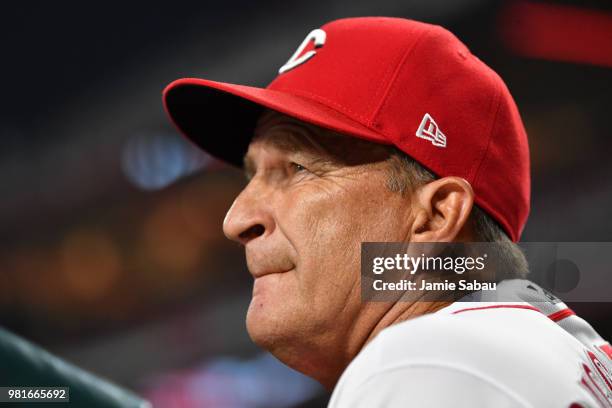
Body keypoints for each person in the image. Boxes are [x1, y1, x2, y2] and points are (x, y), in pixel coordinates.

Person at [163, 17, 612, 407]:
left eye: (298, 168)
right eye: (251, 176)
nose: (236, 220)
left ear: (435, 216)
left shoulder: (428, 362)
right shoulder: (542, 350)